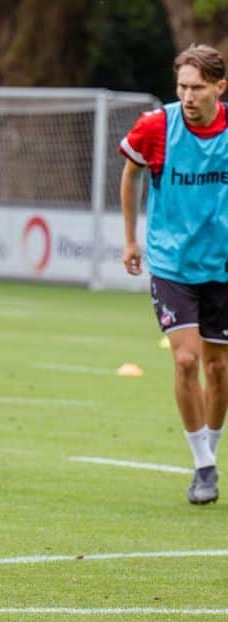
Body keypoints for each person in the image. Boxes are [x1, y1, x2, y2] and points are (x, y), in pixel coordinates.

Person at [120, 42, 228, 505]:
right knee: (185, 360)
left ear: (219, 89)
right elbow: (131, 175)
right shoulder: (156, 126)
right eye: (181, 86)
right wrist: (130, 239)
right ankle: (202, 466)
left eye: (197, 87)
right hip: (170, 264)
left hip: (222, 266)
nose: (187, 95)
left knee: (218, 369)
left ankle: (211, 452)